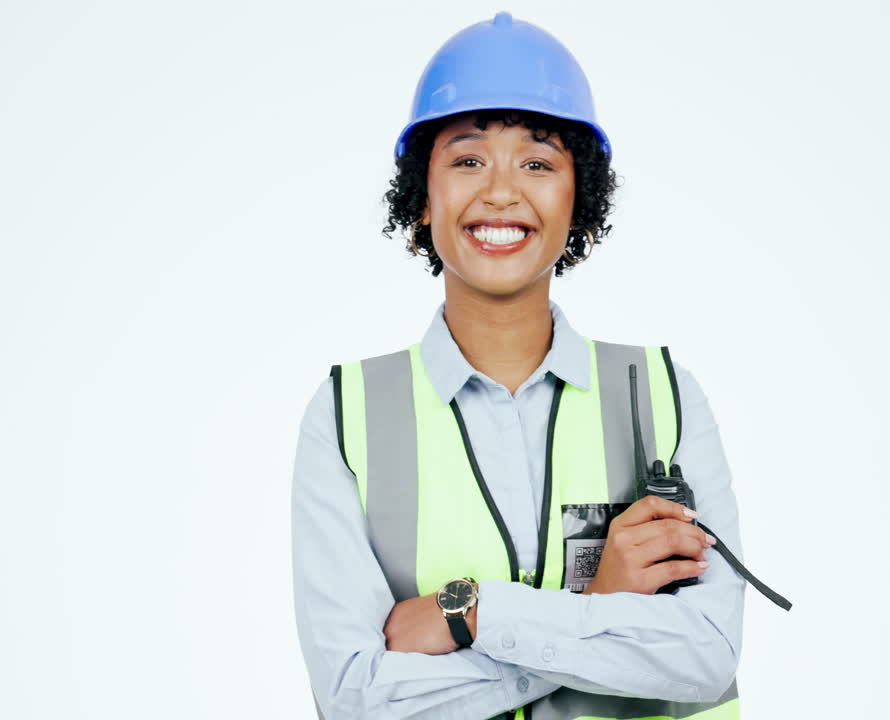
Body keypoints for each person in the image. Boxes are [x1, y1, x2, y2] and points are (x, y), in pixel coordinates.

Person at [292, 12, 748, 720]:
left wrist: (472, 611)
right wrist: (598, 608)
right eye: (468, 160)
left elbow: (705, 655)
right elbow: (358, 698)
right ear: (422, 198)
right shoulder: (348, 413)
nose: (501, 192)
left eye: (537, 163)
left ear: (579, 200)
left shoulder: (663, 397)